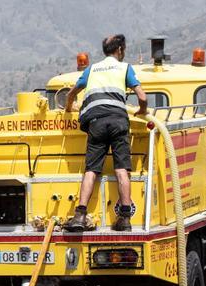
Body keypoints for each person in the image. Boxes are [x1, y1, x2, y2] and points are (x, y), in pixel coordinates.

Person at [63, 34, 149, 232]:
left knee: (91, 169)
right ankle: (125, 218)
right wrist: (142, 111)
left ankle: (80, 216)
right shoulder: (124, 68)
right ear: (120, 50)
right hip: (119, 122)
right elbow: (142, 97)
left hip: (96, 123)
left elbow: (71, 94)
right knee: (121, 169)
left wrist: (69, 107)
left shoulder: (92, 69)